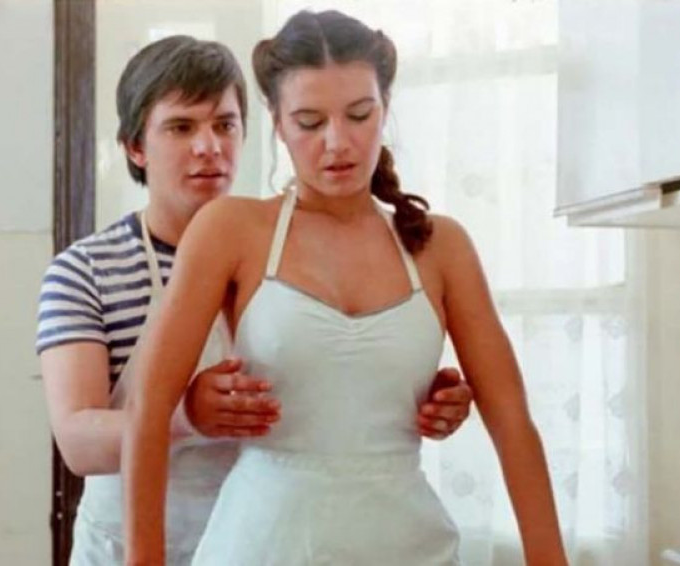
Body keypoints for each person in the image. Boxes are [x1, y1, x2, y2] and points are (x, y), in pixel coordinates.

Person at [122, 11, 567, 566]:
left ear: (385, 107)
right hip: (262, 546)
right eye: (309, 122)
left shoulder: (440, 246)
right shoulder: (230, 230)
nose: (338, 142)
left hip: (410, 547)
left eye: (360, 114)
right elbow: (148, 406)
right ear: (277, 123)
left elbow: (511, 420)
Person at [37, 34, 475, 566]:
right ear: (135, 146)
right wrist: (189, 415)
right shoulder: (85, 271)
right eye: (181, 127)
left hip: (262, 543)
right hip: (130, 546)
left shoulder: (287, 251)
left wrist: (407, 389)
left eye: (225, 125)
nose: (209, 147)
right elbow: (77, 442)